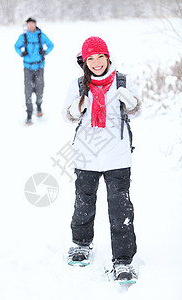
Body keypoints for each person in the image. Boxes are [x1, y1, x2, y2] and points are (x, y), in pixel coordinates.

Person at [62, 36, 142, 281]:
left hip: (117, 155)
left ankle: (123, 261)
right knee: (83, 204)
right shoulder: (78, 85)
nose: (96, 62)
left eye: (100, 57)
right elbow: (67, 116)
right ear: (84, 61)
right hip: (86, 155)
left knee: (121, 210)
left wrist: (129, 101)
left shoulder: (123, 81)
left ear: (108, 57)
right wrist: (78, 106)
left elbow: (137, 110)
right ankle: (81, 245)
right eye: (90, 58)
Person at [14, 17, 54, 125]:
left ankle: (39, 106)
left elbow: (51, 45)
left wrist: (45, 51)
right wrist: (21, 53)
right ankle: (29, 114)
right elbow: (16, 46)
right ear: (27, 26)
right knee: (28, 91)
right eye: (29, 24)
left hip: (40, 67)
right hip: (28, 68)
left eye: (32, 24)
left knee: (39, 89)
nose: (31, 26)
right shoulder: (23, 37)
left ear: (35, 25)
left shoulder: (41, 36)